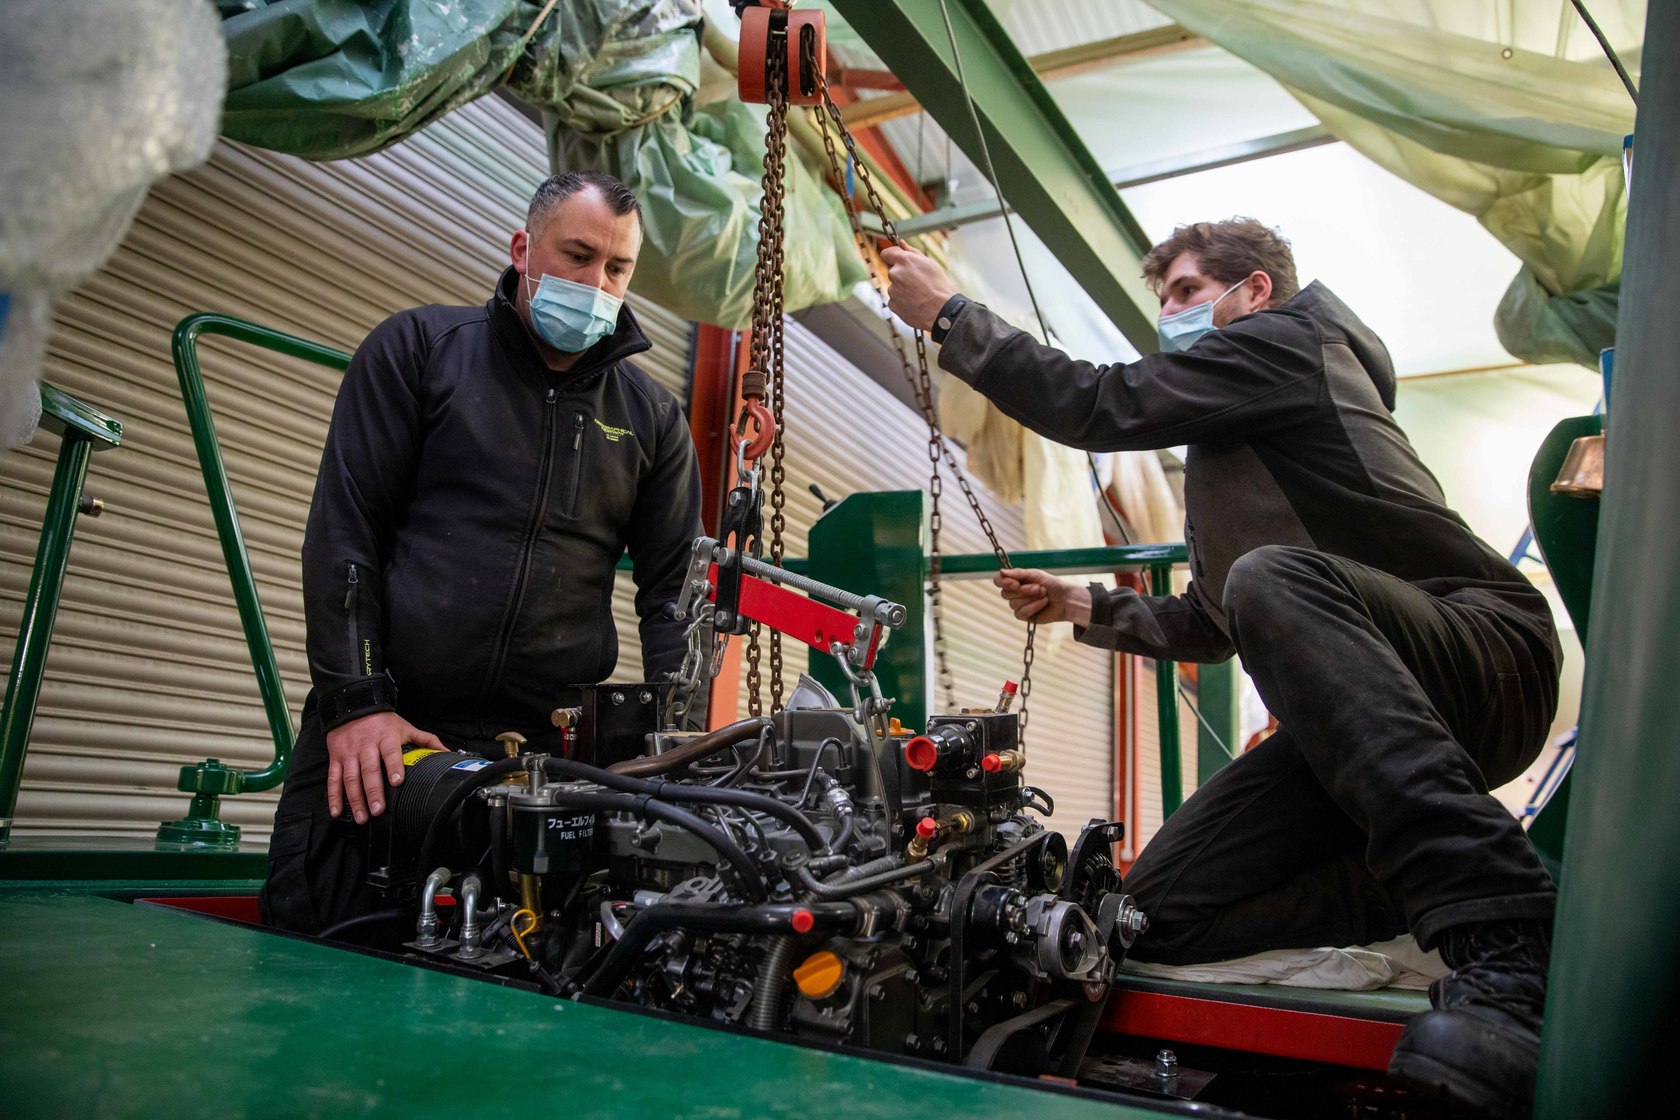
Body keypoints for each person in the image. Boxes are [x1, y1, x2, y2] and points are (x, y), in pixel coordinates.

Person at [883, 219, 1559, 1118]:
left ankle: (1508, 938)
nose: (1169, 313)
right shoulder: (1229, 456)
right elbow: (1214, 620)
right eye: (1161, 299)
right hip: (1366, 718)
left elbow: (1096, 404)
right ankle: (1402, 887)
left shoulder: (1292, 342)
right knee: (1144, 916)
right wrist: (1082, 604)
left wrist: (950, 316)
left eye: (1188, 292)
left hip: (1483, 655)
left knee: (1269, 578)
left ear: (1254, 294)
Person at [260, 171, 702, 935]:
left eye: (617, 268)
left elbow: (674, 594)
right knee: (317, 969)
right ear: (523, 248)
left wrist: (677, 741)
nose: (597, 283)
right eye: (577, 255)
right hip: (386, 742)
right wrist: (357, 704)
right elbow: (345, 534)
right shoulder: (422, 350)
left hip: (543, 767)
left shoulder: (653, 420)